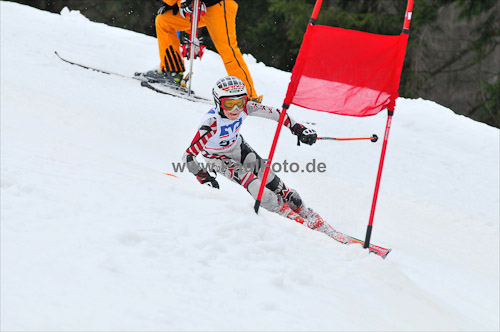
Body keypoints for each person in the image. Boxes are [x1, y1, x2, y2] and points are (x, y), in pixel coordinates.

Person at [182, 76, 337, 234]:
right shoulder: (211, 123)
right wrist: (204, 177)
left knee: (272, 181)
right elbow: (188, 156)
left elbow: (277, 114)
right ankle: (291, 218)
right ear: (218, 103)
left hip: (238, 148)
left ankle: (305, 213)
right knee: (256, 186)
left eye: (240, 102)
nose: (236, 109)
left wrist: (298, 128)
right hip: (216, 158)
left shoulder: (246, 108)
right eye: (229, 104)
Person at [144, 0, 262, 102]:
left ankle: (249, 97)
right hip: (199, 6)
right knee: (164, 21)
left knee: (227, 49)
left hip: (219, 5)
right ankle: (172, 71)